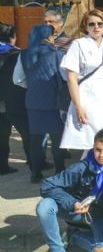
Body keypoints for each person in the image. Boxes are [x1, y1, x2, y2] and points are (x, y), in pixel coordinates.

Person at [36, 128, 103, 252]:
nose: (101, 155)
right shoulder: (82, 167)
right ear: (93, 147)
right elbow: (47, 185)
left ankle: (73, 236)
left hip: (101, 216)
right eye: (98, 149)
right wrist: (72, 203)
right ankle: (57, 248)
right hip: (77, 211)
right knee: (44, 206)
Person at [60, 10, 103, 151]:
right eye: (91, 24)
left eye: (100, 24)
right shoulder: (78, 44)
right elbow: (71, 78)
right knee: (89, 142)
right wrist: (78, 107)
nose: (96, 27)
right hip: (87, 98)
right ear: (85, 26)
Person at [21, 25, 67, 182]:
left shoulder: (24, 54)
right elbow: (64, 79)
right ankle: (60, 170)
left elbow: (18, 79)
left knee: (36, 140)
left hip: (33, 102)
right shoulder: (57, 54)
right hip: (53, 102)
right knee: (57, 139)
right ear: (50, 36)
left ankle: (35, 173)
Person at [0, 23, 30, 175]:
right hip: (15, 101)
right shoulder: (18, 54)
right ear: (12, 37)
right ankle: (34, 163)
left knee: (1, 136)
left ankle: (2, 167)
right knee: (27, 133)